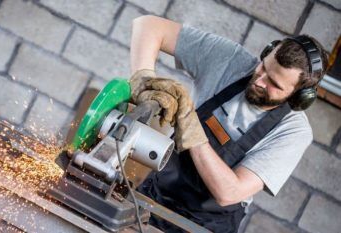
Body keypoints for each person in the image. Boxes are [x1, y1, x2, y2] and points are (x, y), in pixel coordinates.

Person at [128, 15, 328, 233]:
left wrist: (191, 128)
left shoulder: (293, 132)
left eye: (274, 84)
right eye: (263, 67)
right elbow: (148, 25)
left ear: (299, 96)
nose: (259, 81)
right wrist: (144, 78)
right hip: (154, 197)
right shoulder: (232, 60)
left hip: (204, 226)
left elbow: (229, 192)